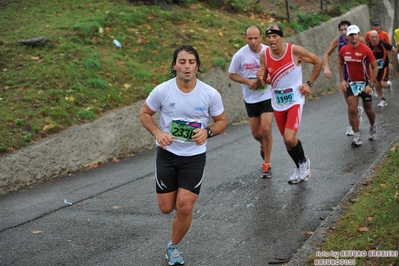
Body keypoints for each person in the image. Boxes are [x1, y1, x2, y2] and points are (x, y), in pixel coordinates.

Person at [138, 45, 227, 265]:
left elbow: (222, 121)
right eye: (182, 62)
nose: (187, 66)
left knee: (184, 206)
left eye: (191, 62)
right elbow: (145, 113)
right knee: (167, 208)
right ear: (174, 65)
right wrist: (158, 132)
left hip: (194, 157)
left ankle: (173, 247)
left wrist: (207, 132)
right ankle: (177, 197)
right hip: (167, 155)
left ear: (197, 65)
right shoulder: (163, 91)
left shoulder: (209, 93)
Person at [256, 24, 323, 184]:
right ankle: (299, 167)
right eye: (269, 37)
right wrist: (260, 79)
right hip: (278, 103)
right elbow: (264, 83)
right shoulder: (264, 55)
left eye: (274, 36)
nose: (271, 40)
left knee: (289, 138)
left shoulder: (294, 51)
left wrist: (309, 83)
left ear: (281, 37)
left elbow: (318, 62)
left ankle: (304, 162)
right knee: (288, 142)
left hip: (295, 101)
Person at [228, 25, 274, 179]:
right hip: (250, 98)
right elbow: (231, 74)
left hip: (267, 96)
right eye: (250, 38)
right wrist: (247, 81)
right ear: (245, 38)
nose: (253, 41)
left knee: (266, 130)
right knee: (257, 134)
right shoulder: (240, 55)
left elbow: (275, 70)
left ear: (261, 37)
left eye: (256, 38)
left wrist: (266, 80)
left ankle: (266, 164)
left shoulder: (268, 51)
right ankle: (263, 145)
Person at [338, 25, 378, 146]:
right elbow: (340, 64)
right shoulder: (344, 50)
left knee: (369, 110)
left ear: (359, 35)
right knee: (352, 109)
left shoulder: (366, 50)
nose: (353, 37)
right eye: (350, 35)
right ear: (348, 37)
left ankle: (373, 126)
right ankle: (357, 136)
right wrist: (343, 80)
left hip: (365, 83)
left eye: (355, 34)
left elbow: (375, 67)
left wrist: (370, 84)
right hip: (352, 84)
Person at [324, 20, 365, 136]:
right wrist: (326, 68)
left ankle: (354, 118)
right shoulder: (338, 40)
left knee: (355, 105)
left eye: (345, 29)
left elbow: (367, 56)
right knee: (350, 104)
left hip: (358, 76)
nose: (343, 32)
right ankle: (352, 123)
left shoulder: (360, 40)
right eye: (341, 30)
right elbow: (327, 54)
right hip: (345, 76)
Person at [367, 30, 397, 107]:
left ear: (378, 37)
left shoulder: (383, 44)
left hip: (384, 66)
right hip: (375, 68)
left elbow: (394, 50)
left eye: (375, 37)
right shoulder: (368, 46)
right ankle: (383, 100)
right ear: (369, 38)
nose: (374, 39)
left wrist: (391, 62)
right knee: (376, 84)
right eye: (372, 37)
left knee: (382, 84)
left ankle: (388, 85)